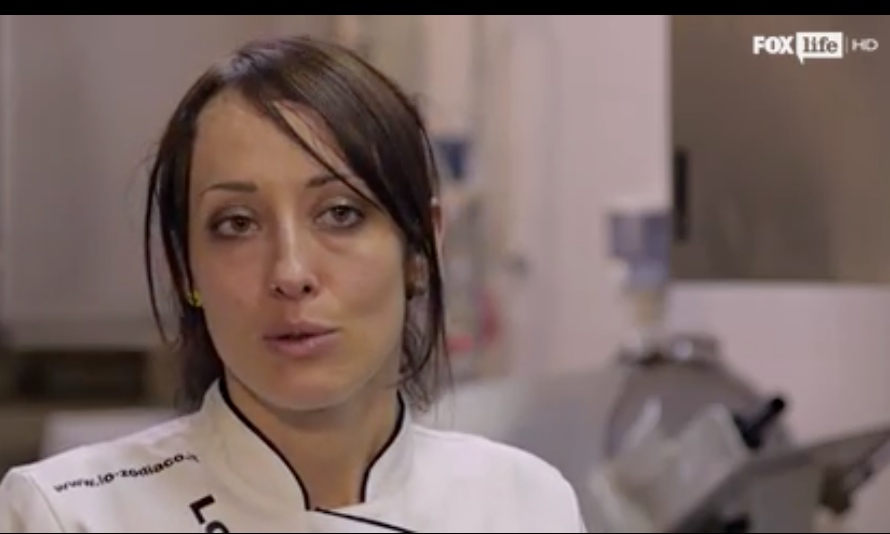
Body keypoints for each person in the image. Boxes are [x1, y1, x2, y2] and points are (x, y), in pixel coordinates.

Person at [0, 35, 587, 533]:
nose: (289, 273)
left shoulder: (523, 504)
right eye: (237, 224)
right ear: (184, 268)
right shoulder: (68, 514)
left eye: (340, 214)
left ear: (420, 248)